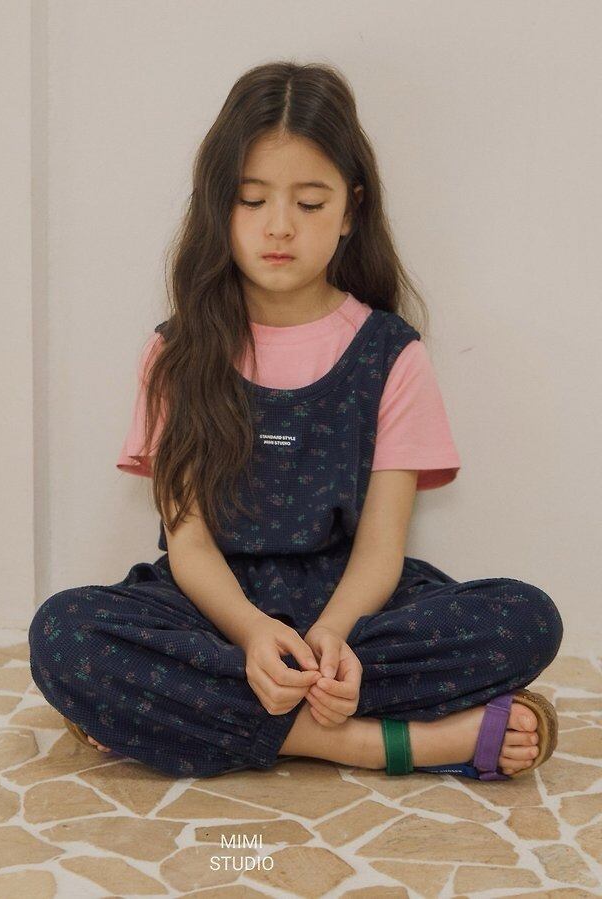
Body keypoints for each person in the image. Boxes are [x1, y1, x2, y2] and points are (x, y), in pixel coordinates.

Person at [28, 61, 563, 781]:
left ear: (350, 211)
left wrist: (334, 637)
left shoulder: (391, 354)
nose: (279, 226)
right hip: (213, 611)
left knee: (528, 617)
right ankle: (377, 742)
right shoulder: (175, 354)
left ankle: (179, 716)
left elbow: (381, 549)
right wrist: (252, 633)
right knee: (63, 634)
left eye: (310, 203)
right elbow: (188, 544)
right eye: (252, 200)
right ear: (218, 206)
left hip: (352, 613)